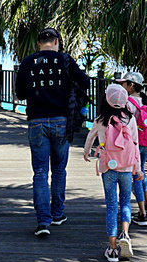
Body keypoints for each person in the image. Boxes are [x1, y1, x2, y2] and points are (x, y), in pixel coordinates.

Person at [15, 26, 91, 237]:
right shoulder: (65, 59)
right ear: (57, 42)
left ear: (38, 44)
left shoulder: (28, 62)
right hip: (61, 121)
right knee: (58, 169)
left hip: (36, 122)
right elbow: (85, 82)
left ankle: (42, 222)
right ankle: (57, 214)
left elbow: (20, 94)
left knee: (40, 172)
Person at [83, 83, 142, 262]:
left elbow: (90, 137)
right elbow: (135, 145)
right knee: (125, 202)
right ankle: (125, 234)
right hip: (126, 167)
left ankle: (113, 248)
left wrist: (86, 153)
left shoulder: (100, 119)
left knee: (111, 205)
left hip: (108, 167)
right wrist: (137, 169)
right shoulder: (130, 119)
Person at [116, 71, 147, 224]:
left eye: (123, 83)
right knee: (142, 171)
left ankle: (142, 214)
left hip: (134, 143)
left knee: (136, 176)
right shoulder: (145, 99)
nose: (121, 86)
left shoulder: (126, 102)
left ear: (130, 85)